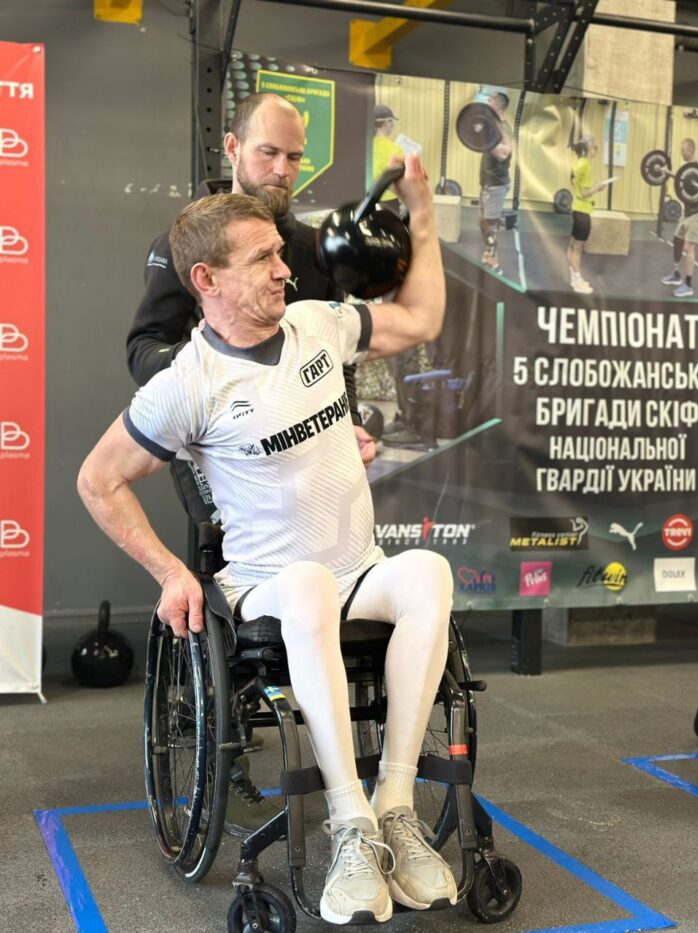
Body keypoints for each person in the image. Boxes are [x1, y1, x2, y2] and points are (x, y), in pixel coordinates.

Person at [78, 153, 458, 925]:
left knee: (428, 572)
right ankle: (349, 824)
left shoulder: (318, 324)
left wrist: (423, 216)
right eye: (263, 259)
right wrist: (170, 572)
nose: (286, 269)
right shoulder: (187, 383)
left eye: (282, 253)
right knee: (309, 583)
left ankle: (393, 810)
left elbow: (421, 319)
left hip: (358, 570)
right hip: (268, 582)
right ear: (207, 280)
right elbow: (98, 479)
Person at [127, 92, 375, 832]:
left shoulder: (310, 249)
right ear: (233, 147)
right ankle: (220, 734)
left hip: (302, 432)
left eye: (295, 156)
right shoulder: (191, 242)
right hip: (216, 434)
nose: (282, 168)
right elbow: (142, 348)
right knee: (225, 548)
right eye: (269, 152)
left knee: (341, 532)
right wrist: (221, 382)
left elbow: (330, 355)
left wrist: (348, 421)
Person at [372, 103, 423, 443]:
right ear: (387, 124)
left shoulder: (363, 152)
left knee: (399, 344)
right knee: (402, 345)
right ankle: (410, 420)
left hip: (380, 257)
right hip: (393, 254)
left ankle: (412, 422)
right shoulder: (393, 152)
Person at [567, 134, 606, 295]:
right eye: (595, 147)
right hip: (582, 212)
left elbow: (576, 185)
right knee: (578, 248)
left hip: (577, 209)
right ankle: (577, 282)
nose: (596, 150)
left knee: (572, 246)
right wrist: (597, 188)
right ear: (589, 149)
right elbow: (584, 193)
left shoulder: (579, 163)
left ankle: (574, 278)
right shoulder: (586, 165)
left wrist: (594, 187)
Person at [478, 91, 513, 276]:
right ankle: (488, 254)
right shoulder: (492, 127)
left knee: (490, 226)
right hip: (486, 183)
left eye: (489, 100)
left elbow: (504, 153)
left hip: (496, 184)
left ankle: (495, 263)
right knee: (482, 223)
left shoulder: (504, 128)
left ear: (496, 106)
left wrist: (484, 141)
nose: (487, 102)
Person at [660, 137, 698, 298]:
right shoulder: (686, 169)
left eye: (683, 150)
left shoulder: (697, 168)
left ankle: (688, 284)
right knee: (677, 240)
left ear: (691, 150)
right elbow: (682, 180)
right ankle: (676, 274)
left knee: (689, 247)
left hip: (697, 214)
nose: (681, 153)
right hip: (686, 213)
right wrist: (668, 173)